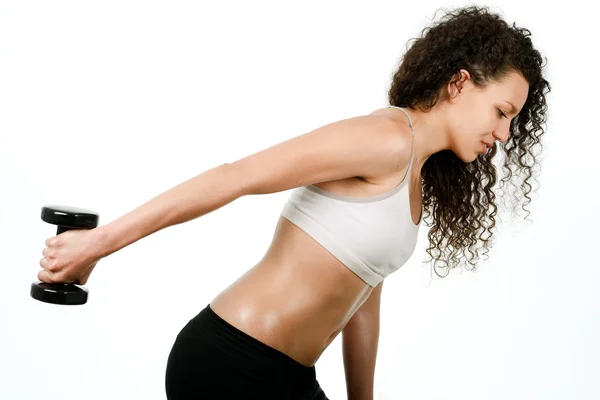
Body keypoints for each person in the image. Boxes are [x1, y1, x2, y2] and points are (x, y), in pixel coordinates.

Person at [37, 5, 551, 400]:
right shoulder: (385, 138)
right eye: (502, 111)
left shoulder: (417, 173)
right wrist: (96, 246)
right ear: (459, 83)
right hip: (231, 363)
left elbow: (364, 296)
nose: (504, 134)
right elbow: (236, 177)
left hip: (291, 377)